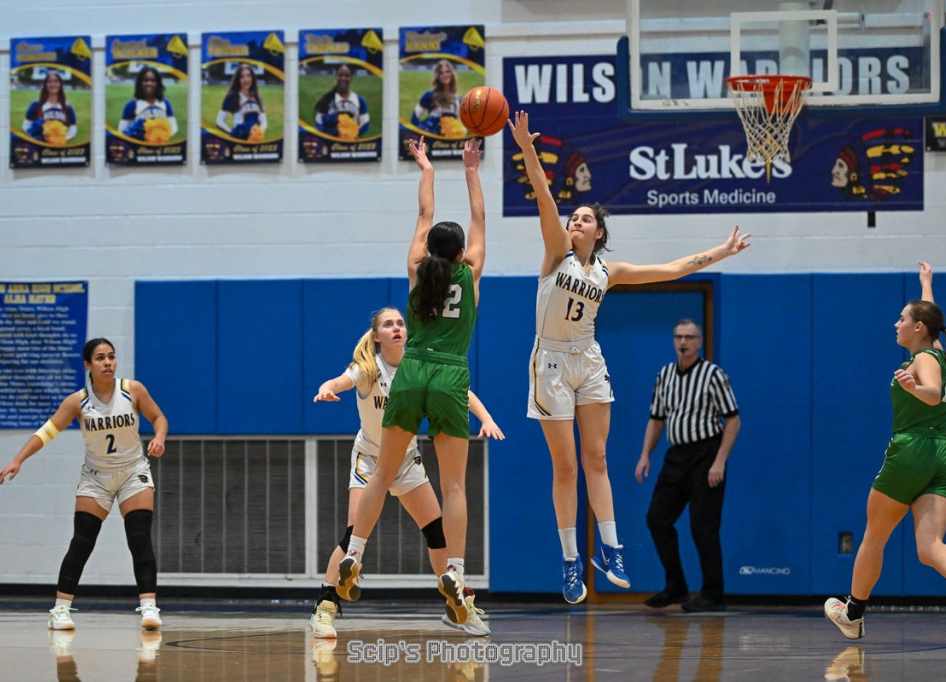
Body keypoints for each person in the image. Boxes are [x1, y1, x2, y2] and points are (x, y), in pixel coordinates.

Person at [508, 110, 751, 604]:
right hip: (550, 362)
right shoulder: (555, 253)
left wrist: (721, 253)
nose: (575, 221)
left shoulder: (609, 272)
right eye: (574, 217)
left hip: (588, 360)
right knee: (566, 468)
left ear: (598, 233)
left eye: (585, 219)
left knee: (596, 458)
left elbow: (673, 268)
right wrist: (528, 150)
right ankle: (571, 560)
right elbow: (544, 196)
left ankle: (611, 549)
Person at [337, 136, 487, 628]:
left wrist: (427, 167)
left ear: (429, 250)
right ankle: (455, 572)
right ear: (461, 252)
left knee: (382, 473)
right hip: (450, 371)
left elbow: (424, 215)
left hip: (413, 368)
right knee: (454, 484)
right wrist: (471, 169)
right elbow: (480, 218)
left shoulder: (417, 272)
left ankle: (355, 553)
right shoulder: (471, 273)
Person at [310, 307, 503, 638]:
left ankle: (459, 605)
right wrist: (328, 388)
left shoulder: (417, 368)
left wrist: (485, 418)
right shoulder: (367, 368)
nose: (397, 328)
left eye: (401, 323)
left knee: (437, 533)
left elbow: (461, 391)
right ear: (377, 336)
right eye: (389, 324)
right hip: (371, 460)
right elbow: (340, 381)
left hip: (406, 460)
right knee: (353, 535)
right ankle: (325, 607)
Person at [825, 261, 946, 639]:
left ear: (918, 327)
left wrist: (913, 388)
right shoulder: (936, 350)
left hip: (913, 450)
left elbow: (931, 393)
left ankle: (853, 613)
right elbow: (933, 318)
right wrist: (926, 283)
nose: (896, 324)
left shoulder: (924, 360)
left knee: (874, 536)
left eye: (902, 319)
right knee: (929, 546)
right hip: (945, 456)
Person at [0, 338, 169, 631]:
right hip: (96, 477)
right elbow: (47, 431)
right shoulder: (78, 401)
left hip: (132, 472)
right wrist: (18, 459)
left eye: (111, 356)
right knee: (81, 542)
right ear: (88, 364)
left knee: (139, 538)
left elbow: (158, 417)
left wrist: (159, 437)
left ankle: (149, 608)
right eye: (100, 358)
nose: (108, 362)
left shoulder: (133, 390)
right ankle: (60, 611)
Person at [634, 319, 741, 612]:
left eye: (690, 337)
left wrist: (720, 461)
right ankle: (676, 587)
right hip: (676, 455)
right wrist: (645, 455)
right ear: (673, 340)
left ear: (699, 342)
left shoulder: (713, 375)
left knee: (703, 526)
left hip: (706, 454)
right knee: (657, 518)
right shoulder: (664, 375)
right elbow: (656, 420)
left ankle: (713, 594)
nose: (683, 342)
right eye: (679, 336)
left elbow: (733, 420)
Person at [118, 66, 178, 143]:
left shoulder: (165, 103)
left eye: (153, 80)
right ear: (140, 82)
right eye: (145, 80)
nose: (149, 83)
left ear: (158, 83)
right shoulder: (131, 105)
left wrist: (159, 133)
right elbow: (121, 130)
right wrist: (138, 133)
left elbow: (174, 127)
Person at [314, 63, 370, 140]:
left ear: (351, 78)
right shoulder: (327, 99)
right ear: (335, 77)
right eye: (340, 75)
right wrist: (331, 133)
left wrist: (351, 134)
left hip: (352, 142)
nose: (343, 78)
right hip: (332, 142)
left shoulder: (360, 100)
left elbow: (365, 123)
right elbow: (318, 123)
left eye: (347, 76)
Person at [23, 71, 77, 144]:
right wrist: (35, 138)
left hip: (59, 147)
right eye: (49, 82)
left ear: (60, 84)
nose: (53, 84)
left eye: (56, 81)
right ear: (45, 85)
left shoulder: (68, 106)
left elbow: (72, 128)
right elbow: (26, 126)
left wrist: (60, 139)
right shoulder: (36, 104)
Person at [215, 63, 267, 140]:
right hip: (239, 142)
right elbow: (219, 121)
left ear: (252, 78)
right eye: (242, 77)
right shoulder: (233, 97)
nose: (246, 80)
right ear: (238, 80)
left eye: (249, 76)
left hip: (255, 142)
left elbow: (264, 122)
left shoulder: (258, 98)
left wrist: (258, 132)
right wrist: (232, 133)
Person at [409, 59, 460, 135]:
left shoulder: (457, 99)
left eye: (447, 72)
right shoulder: (429, 95)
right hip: (432, 137)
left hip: (450, 139)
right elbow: (414, 118)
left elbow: (459, 123)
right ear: (437, 76)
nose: (445, 75)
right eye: (441, 73)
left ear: (452, 74)